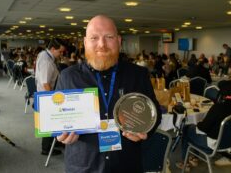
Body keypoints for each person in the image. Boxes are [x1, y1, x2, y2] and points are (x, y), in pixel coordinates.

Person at [56, 15, 162, 173]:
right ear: (85, 42)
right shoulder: (68, 77)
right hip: (83, 166)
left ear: (119, 41)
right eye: (94, 38)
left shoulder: (138, 75)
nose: (102, 44)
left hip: (126, 165)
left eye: (109, 37)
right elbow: (57, 118)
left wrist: (146, 129)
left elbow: (155, 114)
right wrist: (59, 134)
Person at [176, 80, 231, 171]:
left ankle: (185, 162)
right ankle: (194, 158)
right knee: (194, 129)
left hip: (213, 145)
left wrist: (198, 123)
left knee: (186, 129)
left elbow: (203, 128)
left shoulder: (218, 107)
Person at [35, 38, 66, 156]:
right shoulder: (46, 61)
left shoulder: (45, 54)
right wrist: (53, 99)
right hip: (46, 95)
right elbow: (45, 83)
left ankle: (55, 142)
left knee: (52, 121)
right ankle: (46, 149)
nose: (61, 54)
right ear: (53, 49)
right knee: (48, 122)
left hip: (45, 93)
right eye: (60, 52)